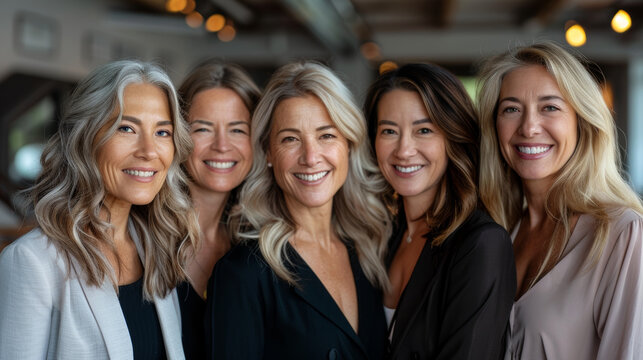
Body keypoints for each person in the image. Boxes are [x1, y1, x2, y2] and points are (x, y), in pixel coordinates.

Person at [0, 60, 199, 359]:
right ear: (85, 137)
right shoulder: (32, 262)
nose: (148, 151)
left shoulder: (155, 246)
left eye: (162, 132)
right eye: (127, 128)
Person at [206, 61, 391, 359]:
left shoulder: (369, 248)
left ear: (349, 144)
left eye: (326, 135)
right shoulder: (243, 273)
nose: (310, 156)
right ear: (268, 153)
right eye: (290, 139)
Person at [477, 41, 643, 359]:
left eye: (549, 107)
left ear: (581, 121)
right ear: (494, 126)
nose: (528, 127)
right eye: (511, 109)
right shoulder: (501, 231)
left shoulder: (622, 233)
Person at [364, 63, 516, 359]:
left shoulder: (481, 244)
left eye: (424, 130)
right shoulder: (384, 235)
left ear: (453, 136)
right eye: (389, 131)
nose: (404, 149)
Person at [176, 60, 260, 358]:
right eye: (203, 129)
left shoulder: (255, 242)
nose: (222, 145)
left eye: (238, 130)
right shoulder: (144, 235)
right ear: (178, 135)